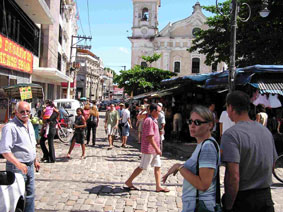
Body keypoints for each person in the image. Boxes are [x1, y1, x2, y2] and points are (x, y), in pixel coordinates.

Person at [221, 91, 278, 212]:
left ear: (230, 107)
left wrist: (229, 206)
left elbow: (234, 176)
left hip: (243, 200)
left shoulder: (231, 135)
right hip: (265, 198)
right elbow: (272, 165)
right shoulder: (265, 131)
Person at [162, 105, 220, 212]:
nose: (192, 125)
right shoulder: (202, 144)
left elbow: (203, 184)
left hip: (200, 206)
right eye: (190, 122)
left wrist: (180, 167)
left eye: (197, 122)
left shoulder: (207, 147)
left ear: (210, 125)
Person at [0, 101, 40, 212]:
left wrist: (35, 160)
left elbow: (32, 144)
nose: (25, 114)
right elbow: (5, 151)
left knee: (30, 195)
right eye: (22, 111)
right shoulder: (10, 127)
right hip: (16, 168)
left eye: (28, 111)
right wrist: (18, 164)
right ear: (16, 112)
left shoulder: (29, 124)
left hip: (30, 166)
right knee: (17, 197)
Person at [124, 103, 169, 192]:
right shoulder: (149, 120)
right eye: (159, 111)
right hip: (149, 149)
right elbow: (149, 137)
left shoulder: (153, 119)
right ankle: (129, 181)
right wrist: (157, 149)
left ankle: (158, 186)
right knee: (142, 167)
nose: (160, 113)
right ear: (154, 111)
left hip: (154, 148)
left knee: (158, 166)